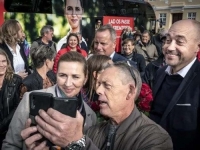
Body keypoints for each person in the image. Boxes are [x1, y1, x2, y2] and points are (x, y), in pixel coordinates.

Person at [19, 62, 173, 150]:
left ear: (130, 91)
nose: (98, 90)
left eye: (107, 85)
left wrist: (77, 143)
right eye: (99, 84)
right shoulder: (93, 131)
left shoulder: (156, 138)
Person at [2, 51, 97, 150]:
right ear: (56, 74)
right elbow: (9, 145)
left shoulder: (91, 116)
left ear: (85, 78)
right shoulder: (29, 100)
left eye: (75, 77)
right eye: (63, 75)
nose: (68, 83)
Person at [149, 19, 200, 150]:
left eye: (179, 42)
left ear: (197, 46)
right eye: (167, 40)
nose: (170, 47)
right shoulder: (160, 73)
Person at [0, 49, 22, 148]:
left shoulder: (16, 80)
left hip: (9, 132)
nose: (1, 65)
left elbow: (18, 107)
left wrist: (2, 125)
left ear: (7, 62)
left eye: (3, 61)